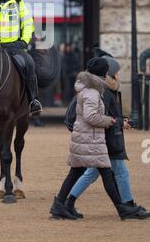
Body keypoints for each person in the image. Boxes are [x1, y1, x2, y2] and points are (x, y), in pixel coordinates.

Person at [50, 57, 142, 220]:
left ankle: (60, 205)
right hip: (91, 139)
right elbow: (91, 116)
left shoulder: (89, 88)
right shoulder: (93, 92)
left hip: (87, 138)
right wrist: (111, 121)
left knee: (79, 173)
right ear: (103, 73)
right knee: (105, 174)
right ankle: (122, 209)